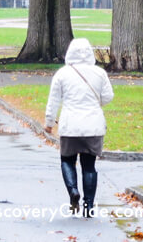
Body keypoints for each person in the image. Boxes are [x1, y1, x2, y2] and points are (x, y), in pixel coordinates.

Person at [44, 38, 114, 217]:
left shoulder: (62, 74)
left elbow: (54, 100)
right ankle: (88, 205)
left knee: (67, 160)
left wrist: (49, 122)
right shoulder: (99, 73)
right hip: (93, 126)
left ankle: (73, 190)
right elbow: (108, 97)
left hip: (70, 126)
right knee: (89, 166)